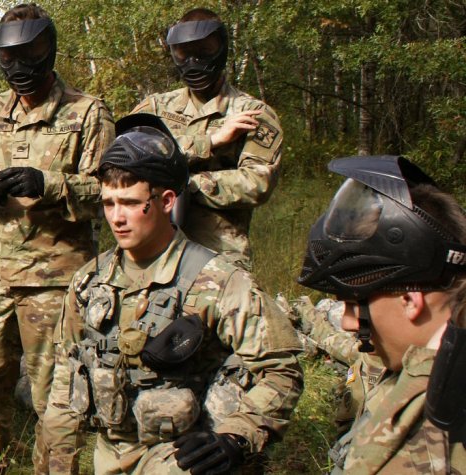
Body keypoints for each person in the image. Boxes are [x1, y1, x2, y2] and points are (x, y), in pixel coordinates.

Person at [37, 114, 303, 474]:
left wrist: (235, 436)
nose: (117, 218)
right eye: (109, 203)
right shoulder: (89, 281)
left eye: (131, 203)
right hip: (113, 454)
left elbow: (280, 369)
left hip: (187, 456)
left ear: (165, 201)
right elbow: (66, 381)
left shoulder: (218, 281)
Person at [0, 4, 114, 473]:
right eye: (10, 58)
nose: (20, 68)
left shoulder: (87, 112)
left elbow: (110, 191)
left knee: (56, 394)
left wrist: (52, 185)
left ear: (50, 48)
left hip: (54, 276)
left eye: (31, 54)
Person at [296, 155, 466, 473]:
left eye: (354, 305)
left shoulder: (440, 431)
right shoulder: (415, 362)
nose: (347, 322)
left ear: (409, 301)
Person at [131, 8, 283, 269]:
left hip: (218, 255)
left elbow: (257, 182)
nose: (193, 61)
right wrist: (209, 142)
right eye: (183, 52)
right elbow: (129, 158)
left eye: (204, 50)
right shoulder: (155, 107)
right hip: (152, 248)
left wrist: (187, 186)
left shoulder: (253, 113)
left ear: (220, 48)